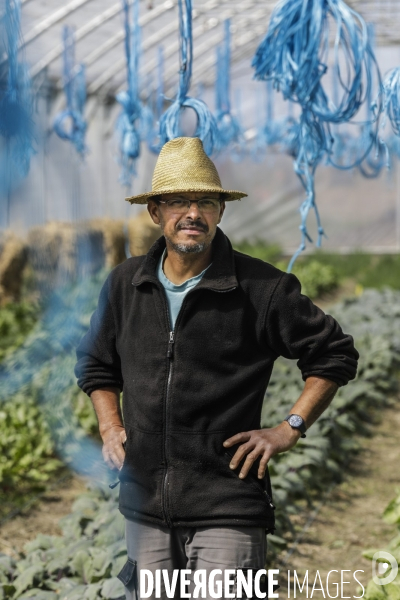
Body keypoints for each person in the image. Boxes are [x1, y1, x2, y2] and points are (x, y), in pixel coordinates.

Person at [75, 136, 359, 600]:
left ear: (221, 211)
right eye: (178, 202)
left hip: (228, 502)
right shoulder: (126, 285)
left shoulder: (262, 288)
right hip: (144, 504)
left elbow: (334, 353)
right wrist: (110, 425)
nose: (192, 213)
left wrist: (289, 428)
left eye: (205, 201)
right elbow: (95, 362)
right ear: (155, 213)